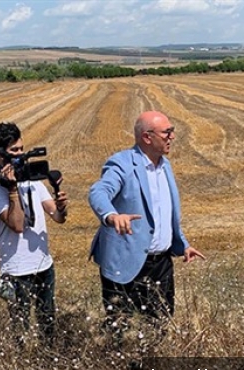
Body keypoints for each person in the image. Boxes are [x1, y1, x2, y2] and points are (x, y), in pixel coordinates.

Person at [88, 110, 205, 344]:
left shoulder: (165, 166)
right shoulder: (121, 163)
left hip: (161, 264)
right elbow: (98, 191)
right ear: (147, 137)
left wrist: (183, 245)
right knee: (123, 331)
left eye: (172, 131)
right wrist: (111, 215)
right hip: (126, 263)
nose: (172, 137)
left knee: (160, 325)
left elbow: (164, 213)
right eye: (167, 132)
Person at [0, 122, 69, 347]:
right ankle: (20, 367)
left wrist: (61, 205)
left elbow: (58, 218)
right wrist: (12, 190)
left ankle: (48, 359)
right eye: (14, 150)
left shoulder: (34, 181)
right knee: (20, 326)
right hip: (16, 270)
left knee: (47, 321)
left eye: (22, 149)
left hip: (44, 265)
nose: (21, 154)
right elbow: (18, 225)